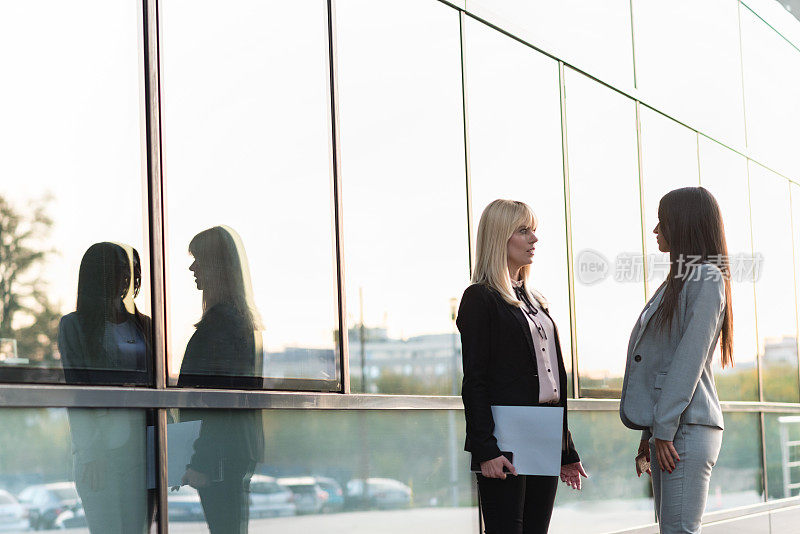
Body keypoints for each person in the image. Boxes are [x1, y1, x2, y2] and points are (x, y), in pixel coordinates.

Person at [457, 199, 586, 534]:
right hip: (505, 439)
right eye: (523, 230)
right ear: (500, 237)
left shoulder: (535, 301)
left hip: (543, 432)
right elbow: (476, 382)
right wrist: (486, 450)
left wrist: (566, 451)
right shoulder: (480, 298)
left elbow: (553, 378)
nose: (534, 239)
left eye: (534, 230)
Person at [620, 186, 733, 533]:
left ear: (683, 225)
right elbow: (659, 361)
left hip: (685, 427)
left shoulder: (706, 279)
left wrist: (663, 429)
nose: (656, 230)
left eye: (662, 221)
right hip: (669, 429)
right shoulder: (678, 282)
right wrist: (650, 433)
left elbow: (688, 362)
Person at [58, 242, 154, 533]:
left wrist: (170, 450)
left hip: (144, 450)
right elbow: (77, 392)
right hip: (100, 453)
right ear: (96, 275)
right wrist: (90, 453)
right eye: (117, 270)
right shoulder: (74, 326)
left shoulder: (145, 325)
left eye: (129, 271)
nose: (125, 277)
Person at [177, 226, 265, 534]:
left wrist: (201, 462)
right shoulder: (238, 322)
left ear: (217, 266)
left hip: (218, 459)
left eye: (198, 259)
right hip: (231, 454)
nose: (192, 268)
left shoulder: (222, 326)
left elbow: (218, 402)